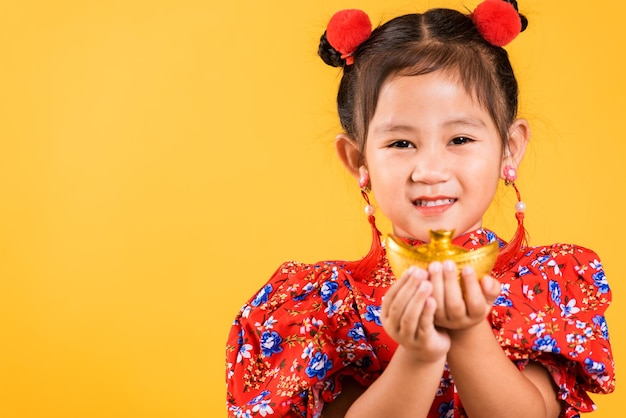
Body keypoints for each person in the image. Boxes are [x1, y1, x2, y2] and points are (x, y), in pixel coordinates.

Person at [225, 1, 615, 417]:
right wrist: (419, 356)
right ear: (358, 160)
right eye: (400, 144)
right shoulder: (323, 308)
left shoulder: (543, 287)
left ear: (510, 147)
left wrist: (466, 334)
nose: (429, 171)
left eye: (460, 139)